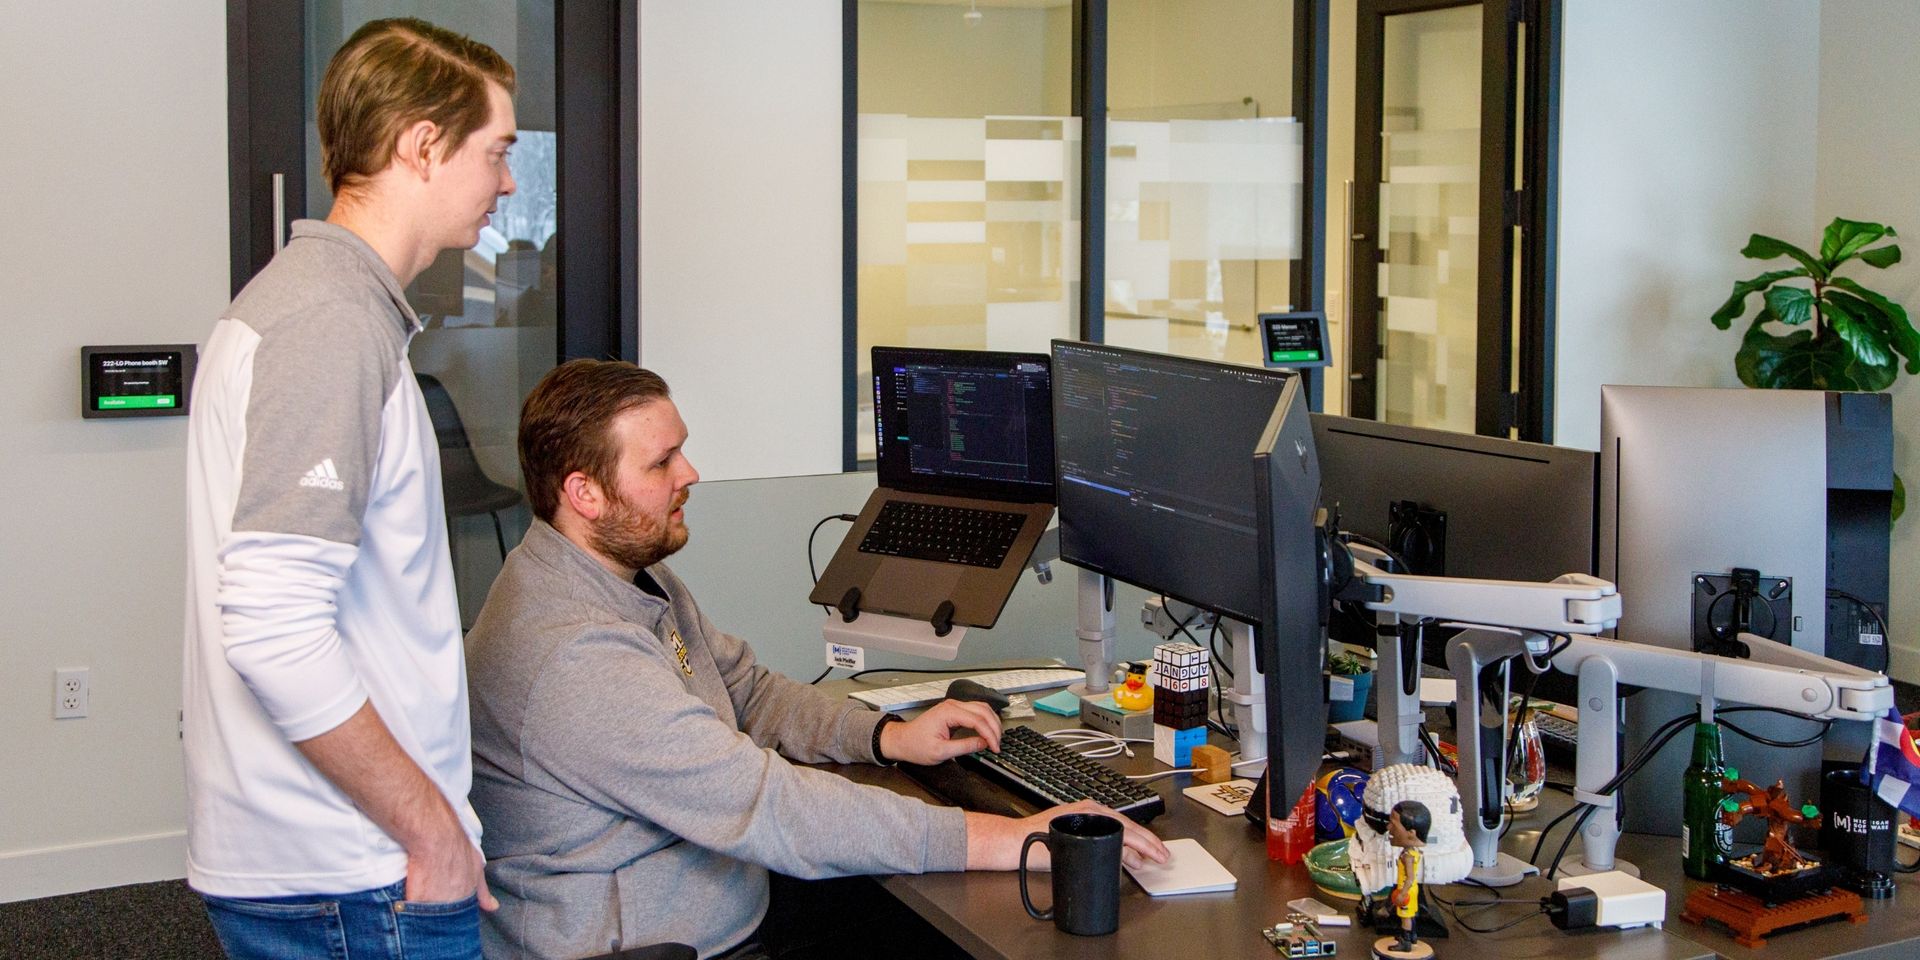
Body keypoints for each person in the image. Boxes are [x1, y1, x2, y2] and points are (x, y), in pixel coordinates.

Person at [465, 360, 1168, 959]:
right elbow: (768, 805)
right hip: (657, 946)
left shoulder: (620, 569)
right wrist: (1010, 839)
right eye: (660, 462)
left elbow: (747, 690)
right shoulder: (574, 654)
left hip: (720, 902)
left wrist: (885, 736)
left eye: (682, 450)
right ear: (583, 492)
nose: (691, 473)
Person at [182, 17, 518, 959]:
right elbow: (273, 624)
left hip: (337, 864)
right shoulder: (328, 322)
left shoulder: (329, 309)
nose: (507, 183)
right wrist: (431, 828)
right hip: (355, 872)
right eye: (495, 151)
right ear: (422, 144)